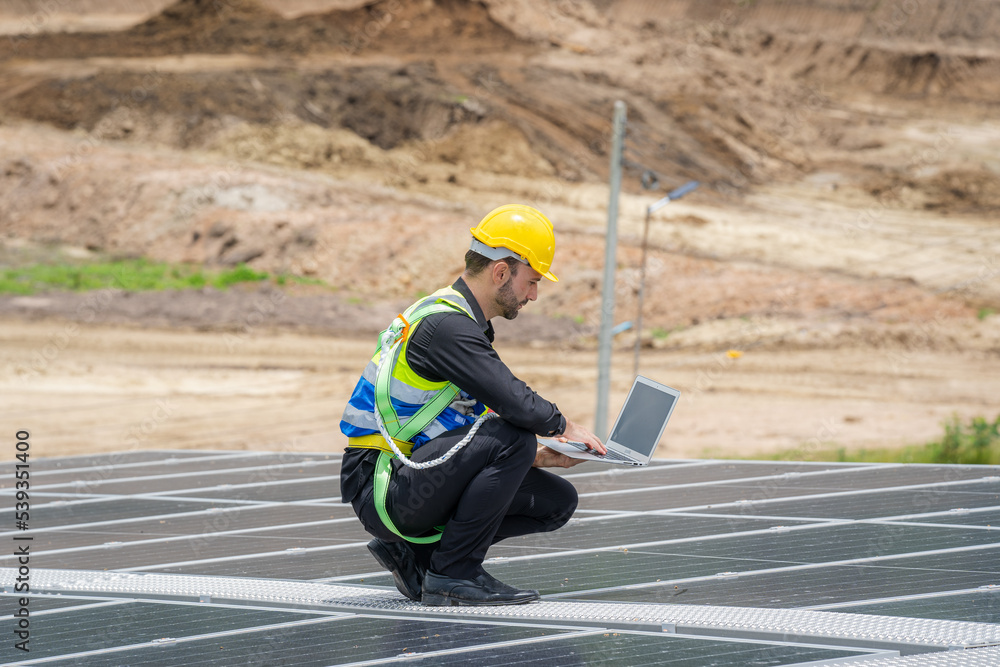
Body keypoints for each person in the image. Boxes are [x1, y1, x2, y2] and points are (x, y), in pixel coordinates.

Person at [339, 204, 605, 607]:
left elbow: (467, 428)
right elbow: (514, 400)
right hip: (384, 486)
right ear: (501, 272)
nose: (533, 294)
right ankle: (454, 575)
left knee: (555, 503)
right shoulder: (446, 326)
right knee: (513, 433)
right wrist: (563, 426)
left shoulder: (460, 321)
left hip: (411, 477)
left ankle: (420, 559)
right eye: (531, 281)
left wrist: (542, 457)